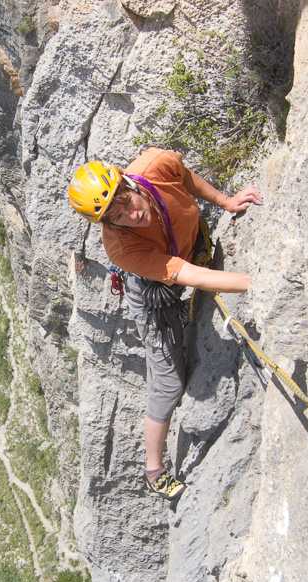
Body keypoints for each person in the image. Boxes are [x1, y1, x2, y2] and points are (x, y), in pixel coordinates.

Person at [69, 148, 263, 501]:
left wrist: (225, 201)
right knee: (169, 383)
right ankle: (153, 469)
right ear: (107, 224)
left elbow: (185, 178)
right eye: (117, 217)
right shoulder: (121, 247)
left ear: (127, 183)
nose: (131, 215)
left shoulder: (156, 164)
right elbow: (187, 275)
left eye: (126, 201)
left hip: (184, 250)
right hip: (151, 292)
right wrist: (258, 283)